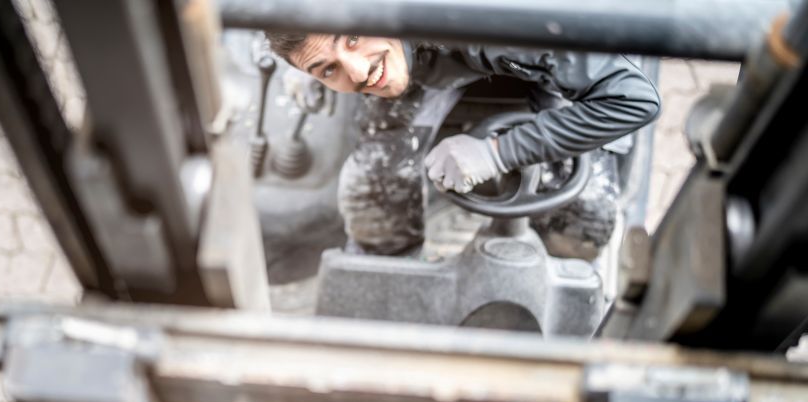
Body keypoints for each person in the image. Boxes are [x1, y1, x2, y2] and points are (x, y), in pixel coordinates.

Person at [264, 33, 661, 258]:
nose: (359, 71)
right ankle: (391, 272)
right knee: (374, 190)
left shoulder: (494, 22)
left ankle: (555, 273)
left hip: (525, 39)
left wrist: (500, 152)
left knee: (584, 218)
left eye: (351, 38)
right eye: (329, 69)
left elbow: (634, 100)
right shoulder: (366, 53)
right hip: (419, 53)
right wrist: (316, 66)